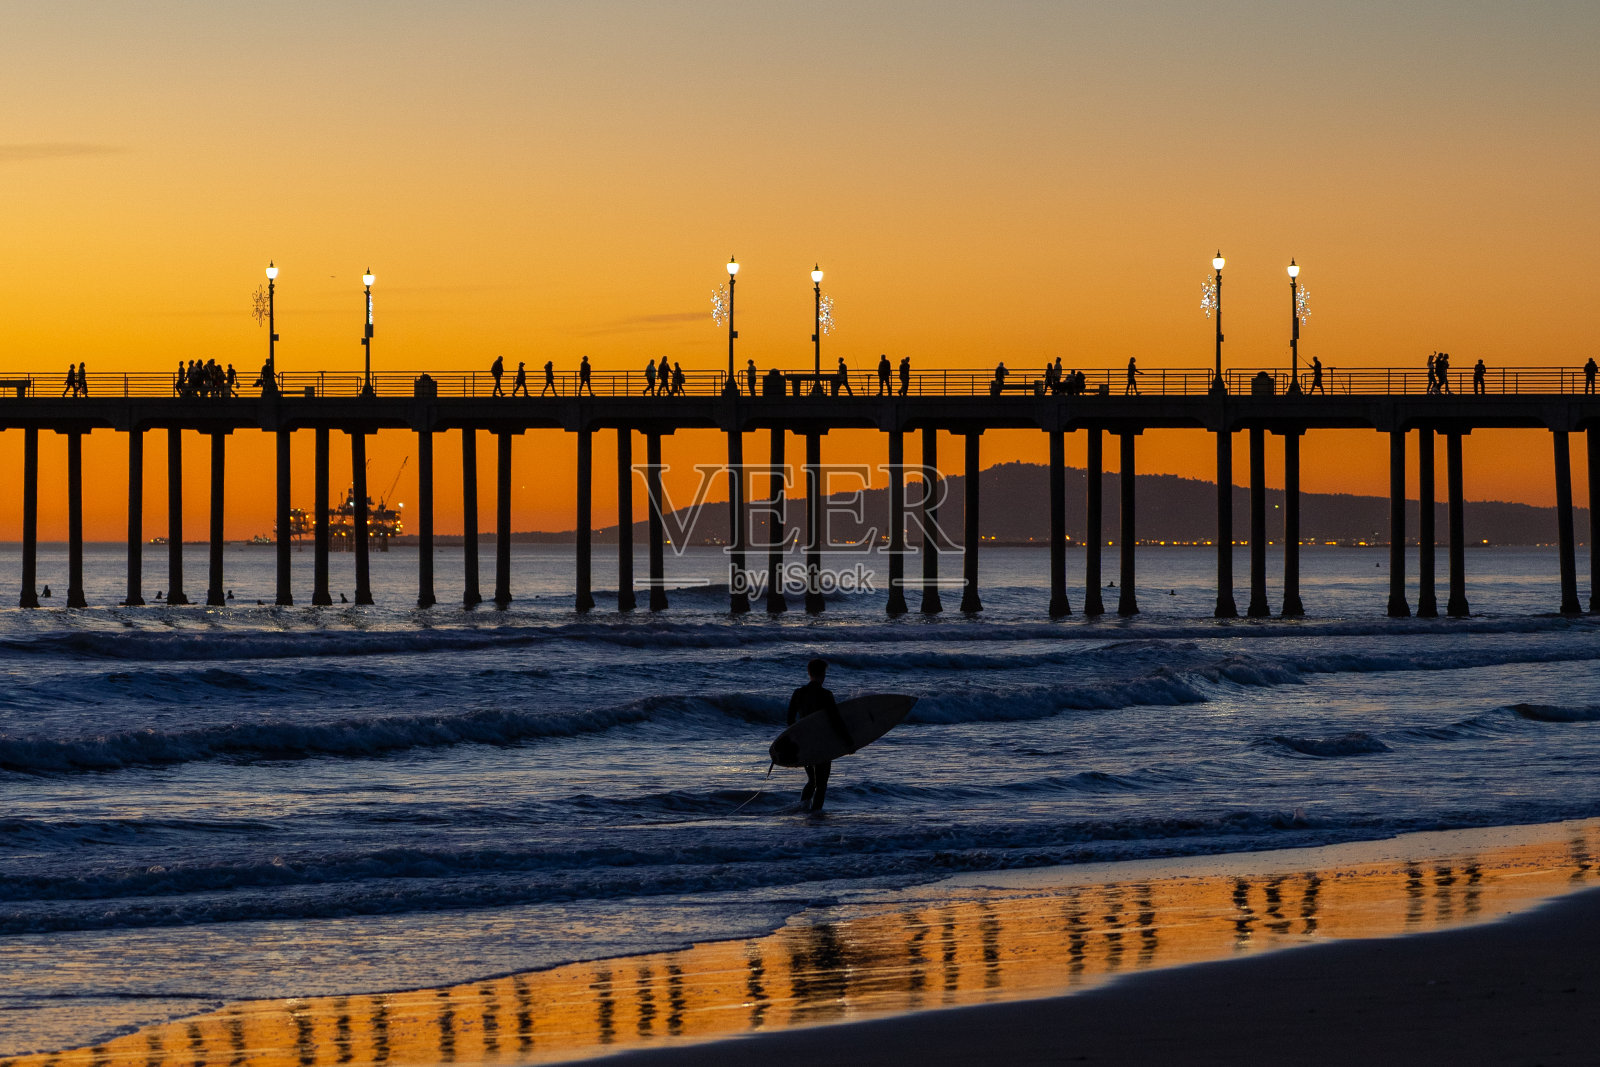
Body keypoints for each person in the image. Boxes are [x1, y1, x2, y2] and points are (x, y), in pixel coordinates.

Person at [787, 657, 852, 813]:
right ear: (823, 674)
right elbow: (836, 721)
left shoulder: (798, 693)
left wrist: (796, 741)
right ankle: (816, 816)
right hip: (822, 744)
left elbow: (790, 720)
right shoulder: (826, 695)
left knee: (812, 781)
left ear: (809, 673)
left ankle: (802, 809)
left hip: (805, 744)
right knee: (821, 784)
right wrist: (848, 742)